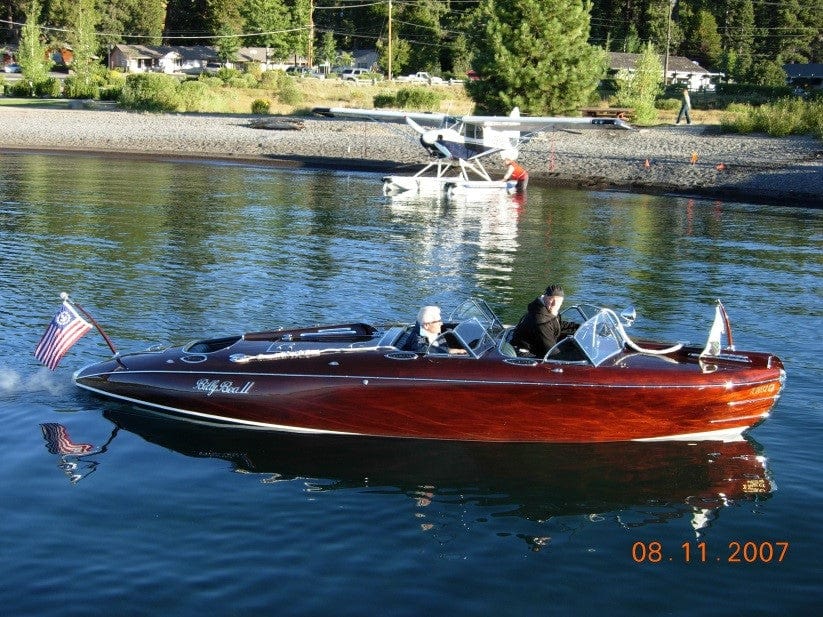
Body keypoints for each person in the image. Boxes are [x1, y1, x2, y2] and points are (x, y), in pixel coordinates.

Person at [510, 284, 568, 357]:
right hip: (526, 354)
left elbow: (558, 325)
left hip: (537, 345)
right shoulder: (540, 320)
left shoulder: (548, 311)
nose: (555, 304)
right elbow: (551, 351)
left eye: (559, 300)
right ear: (545, 298)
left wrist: (580, 327)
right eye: (552, 299)